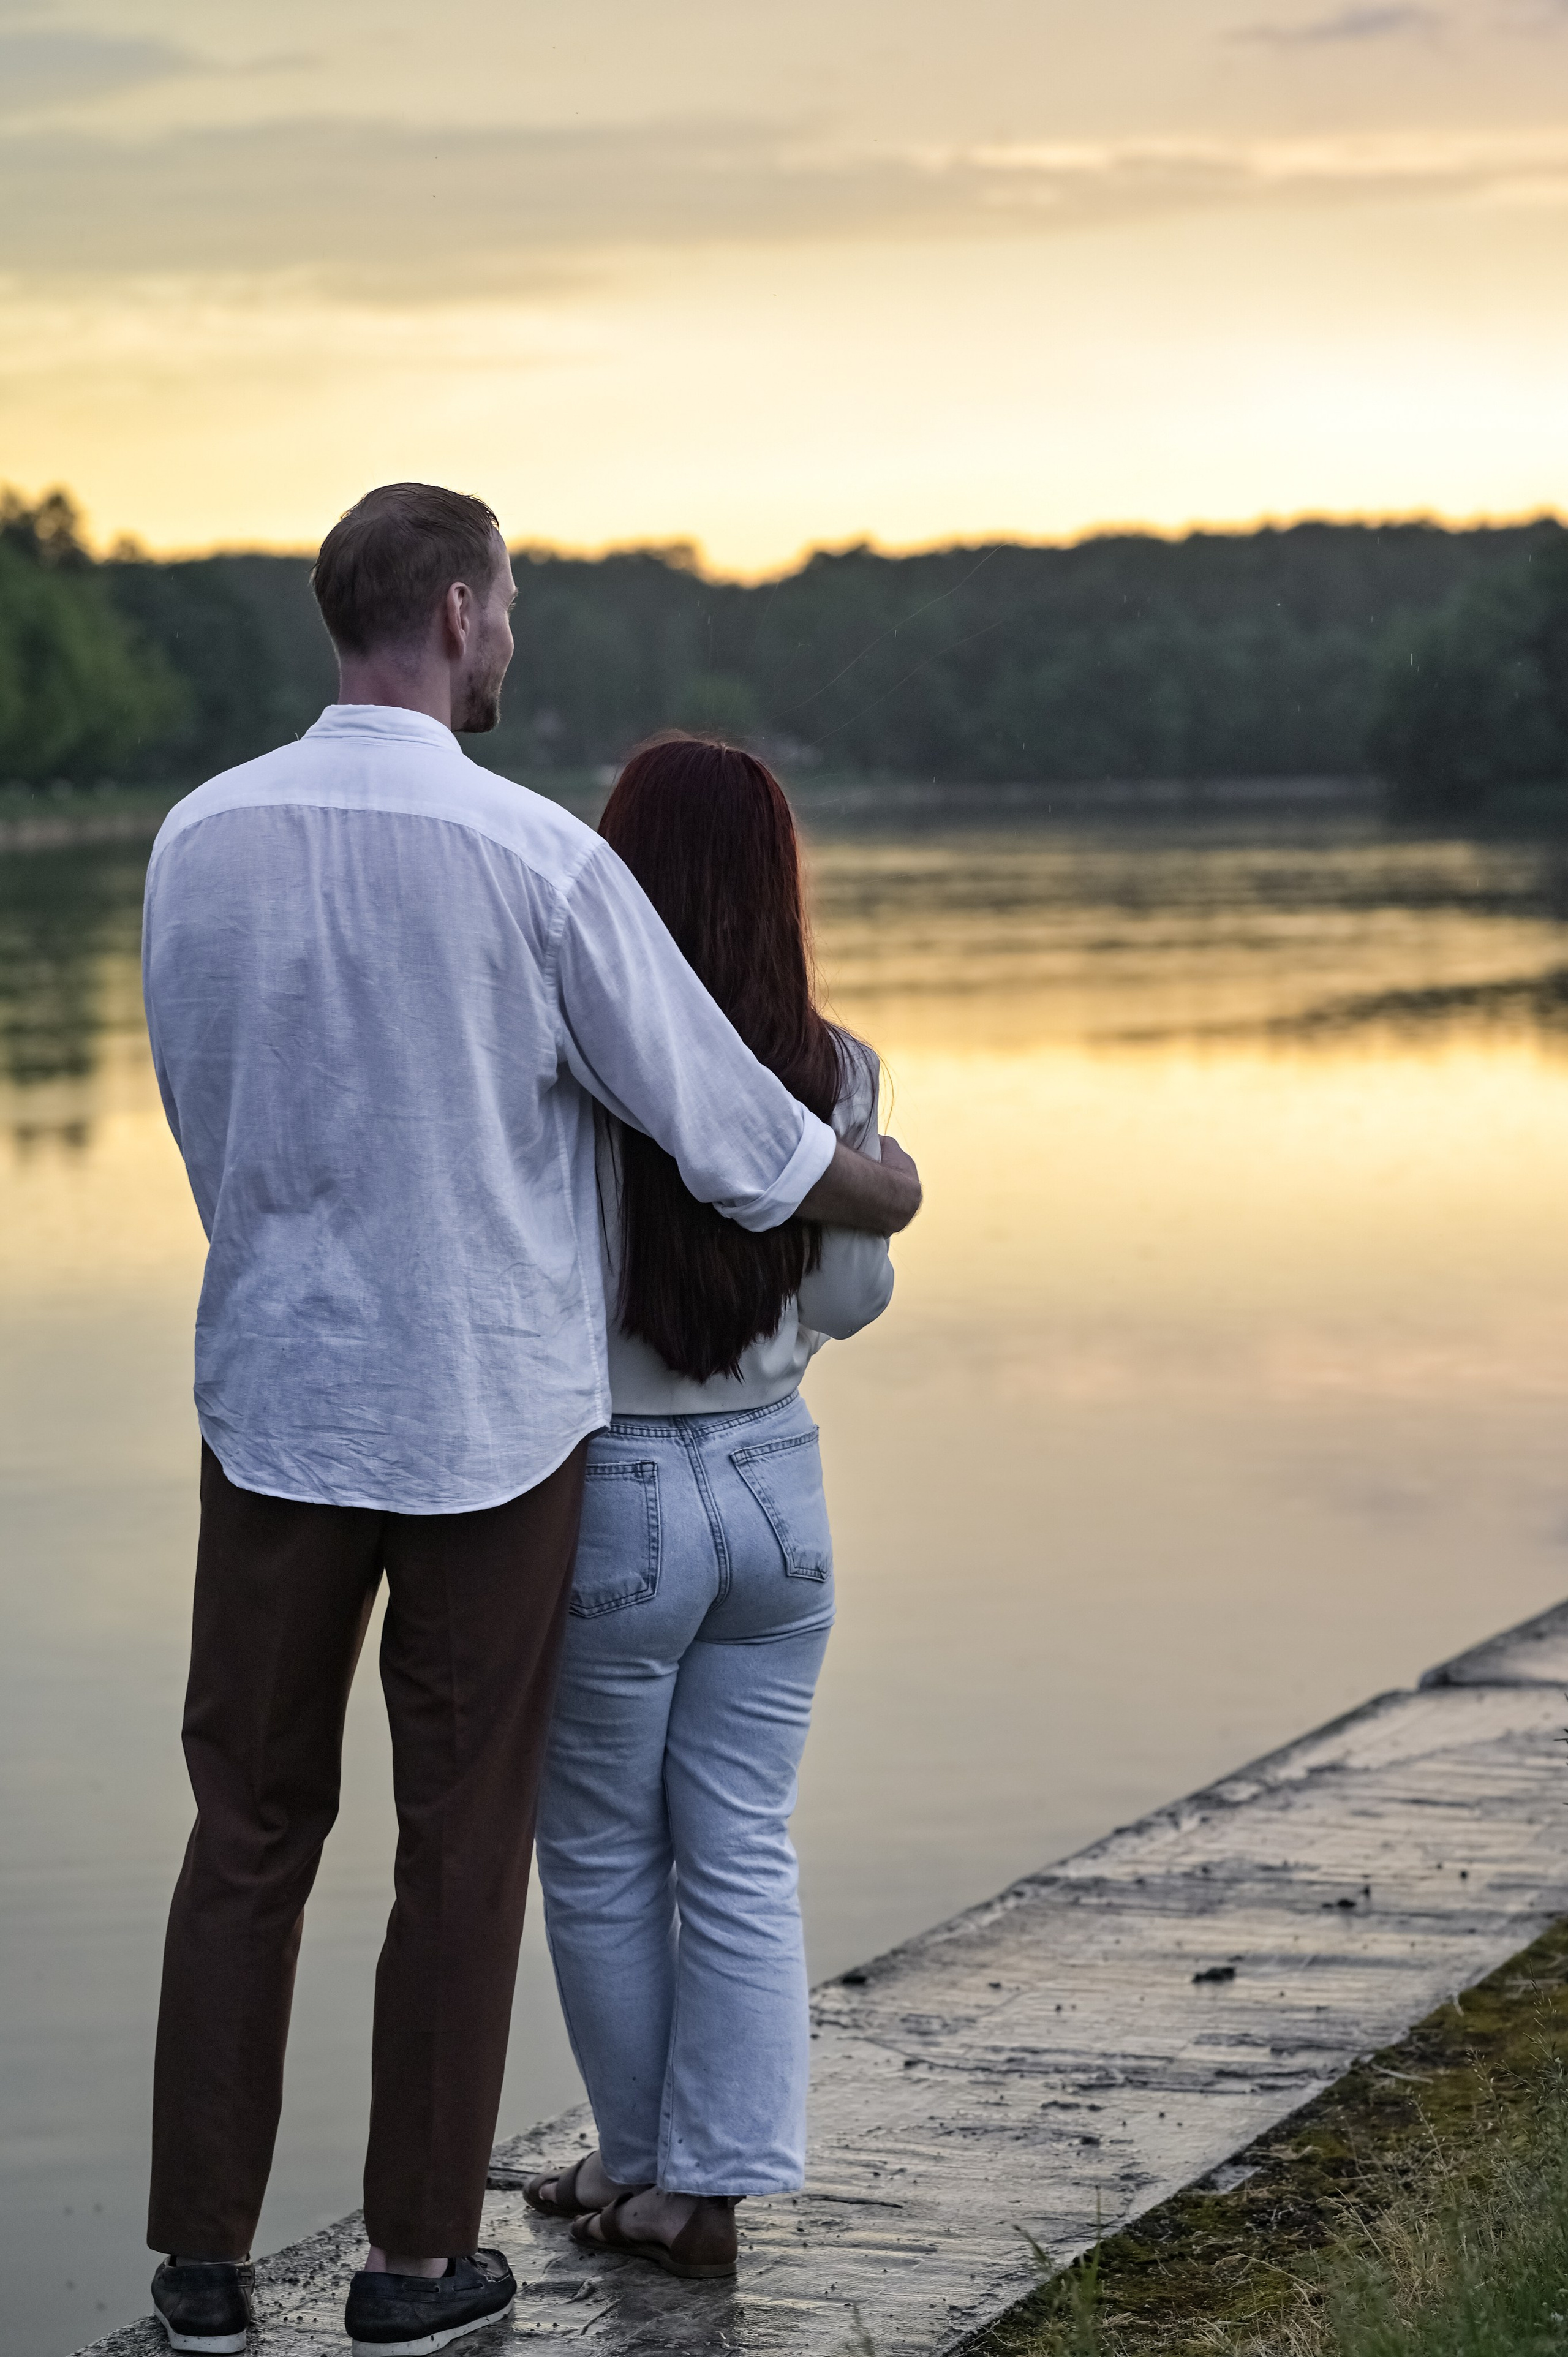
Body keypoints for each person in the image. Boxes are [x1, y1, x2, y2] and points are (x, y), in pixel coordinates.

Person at [138, 485, 922, 2357]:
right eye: (515, 615)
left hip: (269, 1405)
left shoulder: (194, 838)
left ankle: (200, 2271)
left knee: (245, 1827)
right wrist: (867, 1181)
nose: (516, 643)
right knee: (461, 1841)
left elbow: (199, 1111)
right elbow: (729, 1137)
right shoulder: (534, 861)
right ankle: (415, 2269)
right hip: (492, 1421)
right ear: (470, 617)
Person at [522, 736, 900, 2283]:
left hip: (618, 1485)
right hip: (777, 1483)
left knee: (604, 1848)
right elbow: (856, 1294)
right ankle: (713, 2180)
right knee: (741, 1839)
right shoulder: (838, 1067)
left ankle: (643, 2162)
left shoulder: (566, 1064)